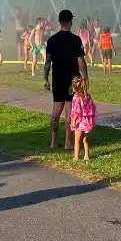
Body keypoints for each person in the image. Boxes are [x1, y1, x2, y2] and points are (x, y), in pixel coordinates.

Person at [44, 10, 88, 150]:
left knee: (56, 111)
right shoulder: (75, 39)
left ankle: (53, 142)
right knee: (70, 112)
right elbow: (80, 60)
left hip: (57, 79)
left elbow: (47, 62)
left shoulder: (52, 40)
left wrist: (45, 78)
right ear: (70, 22)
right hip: (72, 80)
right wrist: (85, 78)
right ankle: (68, 143)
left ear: (60, 22)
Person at [69, 76, 96, 161]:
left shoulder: (76, 98)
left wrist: (73, 120)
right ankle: (86, 155)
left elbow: (77, 111)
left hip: (79, 122)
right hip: (87, 122)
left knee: (77, 141)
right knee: (85, 139)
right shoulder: (87, 97)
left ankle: (76, 157)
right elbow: (92, 108)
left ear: (75, 88)